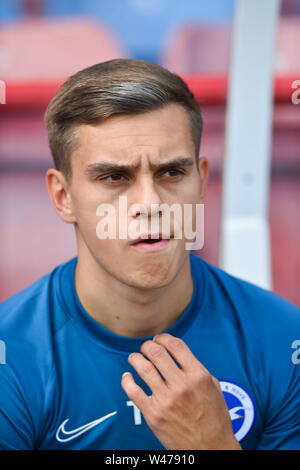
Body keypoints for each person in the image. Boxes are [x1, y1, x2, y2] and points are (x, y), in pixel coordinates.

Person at [0, 59, 299, 450]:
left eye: (172, 173)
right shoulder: (13, 356)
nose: (150, 203)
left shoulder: (285, 341)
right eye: (114, 177)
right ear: (63, 196)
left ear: (202, 180)